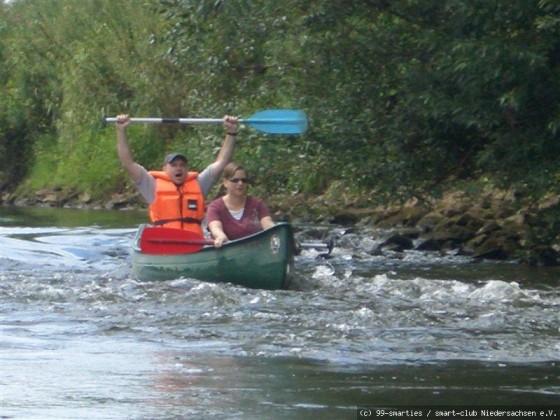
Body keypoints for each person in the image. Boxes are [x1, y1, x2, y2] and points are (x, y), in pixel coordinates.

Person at [115, 113, 239, 237]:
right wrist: (121, 131)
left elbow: (221, 163)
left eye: (182, 165)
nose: (179, 168)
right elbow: (128, 163)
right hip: (165, 242)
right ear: (164, 169)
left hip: (194, 243)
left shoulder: (199, 184)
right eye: (173, 165)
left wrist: (231, 133)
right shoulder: (151, 185)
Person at [207, 162, 275, 247]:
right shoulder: (214, 207)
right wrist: (220, 236)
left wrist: (277, 232)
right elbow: (215, 227)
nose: (240, 183)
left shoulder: (258, 205)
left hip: (255, 250)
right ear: (225, 182)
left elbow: (268, 224)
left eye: (244, 180)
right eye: (235, 180)